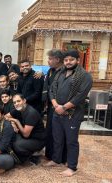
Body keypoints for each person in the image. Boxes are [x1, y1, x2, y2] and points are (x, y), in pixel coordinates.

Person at [45, 49, 92, 177]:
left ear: (78, 60)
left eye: (71, 60)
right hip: (57, 112)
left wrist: (64, 107)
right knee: (57, 138)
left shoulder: (85, 76)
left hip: (73, 114)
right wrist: (55, 104)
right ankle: (56, 159)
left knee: (71, 141)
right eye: (66, 60)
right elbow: (52, 89)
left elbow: (80, 96)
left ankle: (72, 167)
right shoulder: (60, 72)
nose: (68, 62)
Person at [42, 49, 65, 161]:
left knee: (59, 133)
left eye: (50, 59)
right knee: (50, 130)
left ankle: (59, 157)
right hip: (51, 105)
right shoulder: (50, 71)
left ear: (57, 59)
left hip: (61, 106)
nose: (48, 61)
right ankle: (50, 155)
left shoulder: (65, 72)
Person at [10, 94, 45, 164]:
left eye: (18, 101)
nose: (16, 104)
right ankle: (22, 157)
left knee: (17, 145)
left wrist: (16, 121)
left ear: (24, 101)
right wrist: (12, 123)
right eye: (14, 102)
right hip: (27, 138)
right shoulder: (17, 109)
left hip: (37, 140)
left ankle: (34, 155)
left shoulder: (31, 113)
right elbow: (5, 117)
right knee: (11, 137)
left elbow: (26, 134)